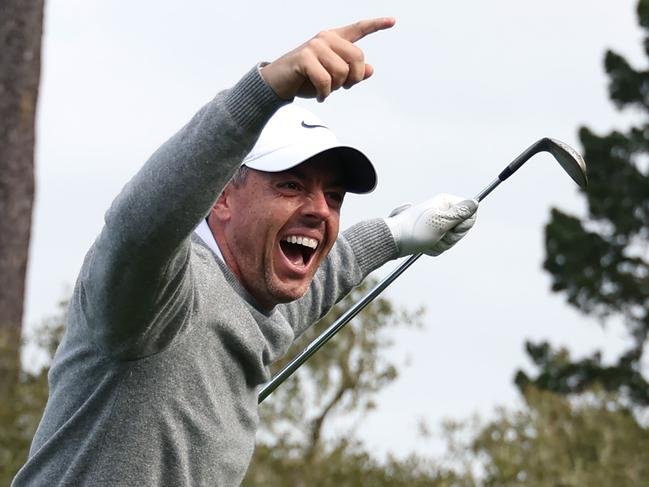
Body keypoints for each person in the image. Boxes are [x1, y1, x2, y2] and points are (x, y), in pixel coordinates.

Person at [13, 17, 478, 486]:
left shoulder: (263, 300)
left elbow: (333, 271)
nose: (320, 210)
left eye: (333, 196)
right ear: (221, 196)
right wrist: (264, 90)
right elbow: (139, 227)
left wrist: (398, 232)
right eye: (291, 185)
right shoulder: (158, 296)